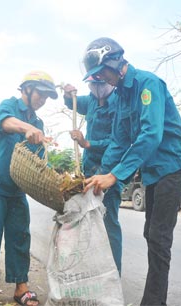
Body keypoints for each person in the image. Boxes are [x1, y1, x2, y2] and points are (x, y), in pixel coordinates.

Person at [82, 37, 181, 306]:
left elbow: (150, 135)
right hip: (154, 170)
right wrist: (103, 174)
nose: (99, 79)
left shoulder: (147, 84)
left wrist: (115, 175)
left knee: (159, 237)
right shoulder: (120, 96)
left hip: (173, 164)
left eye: (100, 73)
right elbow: (120, 140)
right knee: (150, 234)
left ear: (114, 62)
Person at [0, 71, 58, 305]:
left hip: (16, 190)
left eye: (46, 97)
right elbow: (4, 121)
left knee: (21, 237)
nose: (42, 100)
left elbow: (37, 162)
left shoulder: (38, 123)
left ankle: (21, 288)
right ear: (26, 90)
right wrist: (25, 128)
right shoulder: (9, 105)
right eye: (40, 94)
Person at [63, 79, 124, 274]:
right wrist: (67, 94)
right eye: (93, 83)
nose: (97, 87)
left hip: (109, 172)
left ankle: (113, 274)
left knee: (108, 223)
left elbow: (118, 141)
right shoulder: (89, 100)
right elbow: (72, 102)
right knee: (86, 221)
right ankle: (90, 271)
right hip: (89, 171)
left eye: (101, 82)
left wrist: (88, 143)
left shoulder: (119, 102)